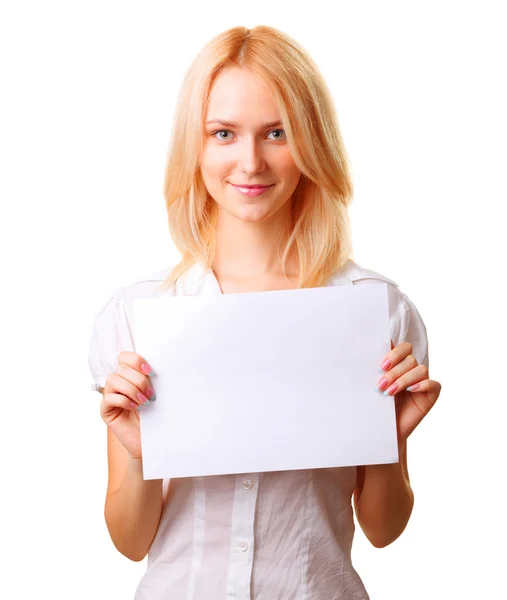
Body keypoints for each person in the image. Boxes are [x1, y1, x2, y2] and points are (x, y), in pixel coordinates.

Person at [88, 25, 442, 600]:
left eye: (276, 133)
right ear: (195, 145)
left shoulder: (374, 311)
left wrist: (392, 439)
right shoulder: (140, 314)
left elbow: (383, 528)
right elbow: (130, 540)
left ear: (311, 141)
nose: (250, 162)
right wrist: (137, 450)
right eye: (223, 133)